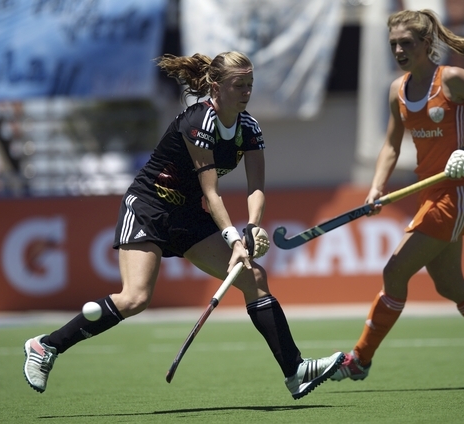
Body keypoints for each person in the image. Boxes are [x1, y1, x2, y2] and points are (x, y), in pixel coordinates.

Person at [23, 51, 343, 400]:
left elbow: (256, 188)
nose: (247, 92)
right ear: (216, 87)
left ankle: (295, 371)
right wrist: (235, 240)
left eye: (250, 84)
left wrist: (253, 227)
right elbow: (212, 192)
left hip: (188, 214)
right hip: (149, 207)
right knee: (135, 298)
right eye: (239, 85)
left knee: (254, 278)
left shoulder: (249, 128)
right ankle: (46, 346)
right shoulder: (199, 121)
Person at [330, 10, 464, 387]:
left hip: (454, 193)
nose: (398, 50)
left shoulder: (453, 79)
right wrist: (377, 187)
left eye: (406, 43)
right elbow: (391, 146)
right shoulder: (397, 90)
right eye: (393, 44)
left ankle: (360, 358)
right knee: (450, 286)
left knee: (395, 271)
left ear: (426, 43)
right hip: (427, 192)